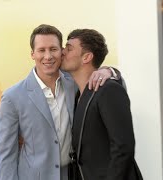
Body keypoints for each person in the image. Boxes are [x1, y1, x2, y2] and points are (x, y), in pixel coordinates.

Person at [0, 24, 119, 180]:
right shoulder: (12, 97)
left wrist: (108, 70)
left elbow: (111, 79)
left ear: (62, 52)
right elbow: (6, 154)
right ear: (32, 54)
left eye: (53, 49)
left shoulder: (75, 83)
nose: (48, 56)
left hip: (74, 175)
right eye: (41, 50)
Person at [61, 29, 142, 180]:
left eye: (69, 48)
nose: (62, 52)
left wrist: (110, 71)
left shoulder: (109, 90)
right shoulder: (77, 95)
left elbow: (123, 148)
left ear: (87, 57)